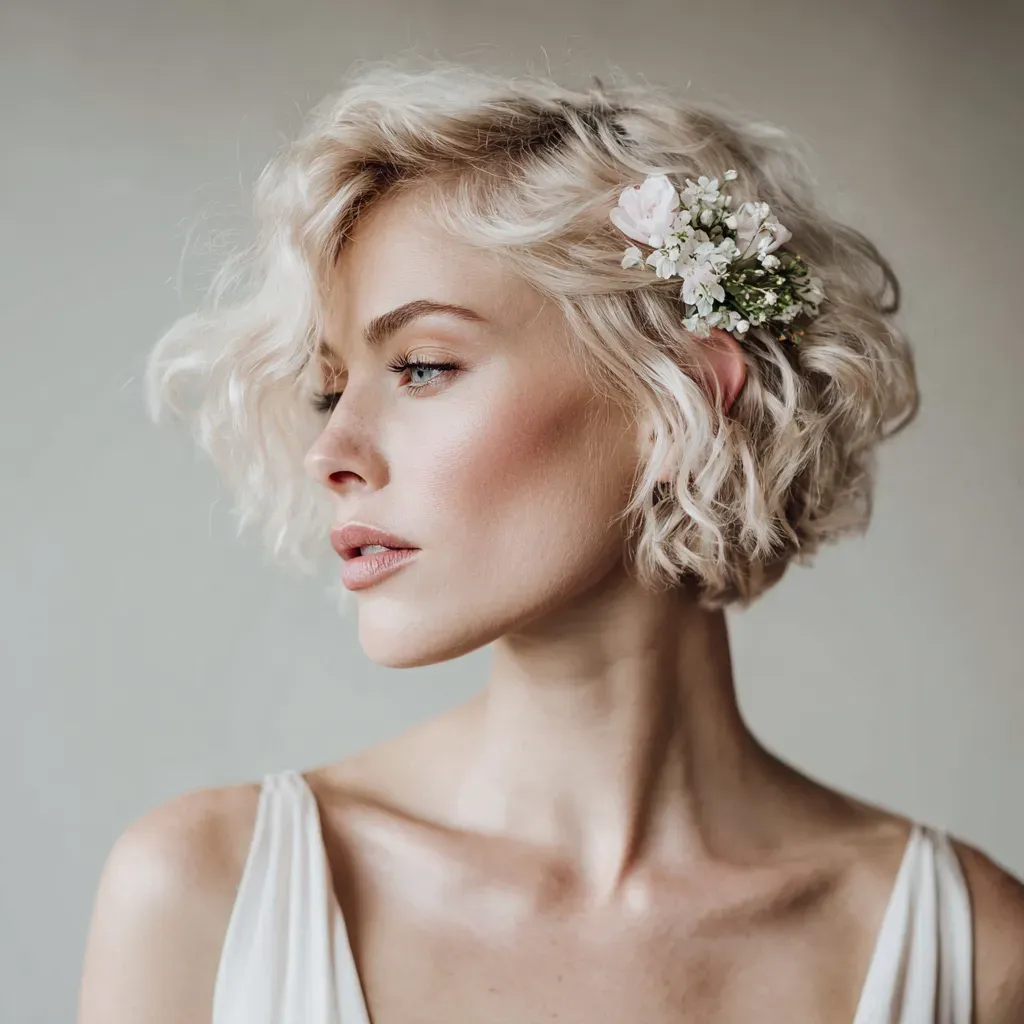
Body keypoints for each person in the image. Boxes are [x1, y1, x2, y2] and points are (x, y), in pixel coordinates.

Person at [77, 58, 1024, 1023]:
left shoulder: (975, 951)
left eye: (422, 367)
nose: (332, 451)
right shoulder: (205, 893)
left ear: (681, 398)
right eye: (330, 387)